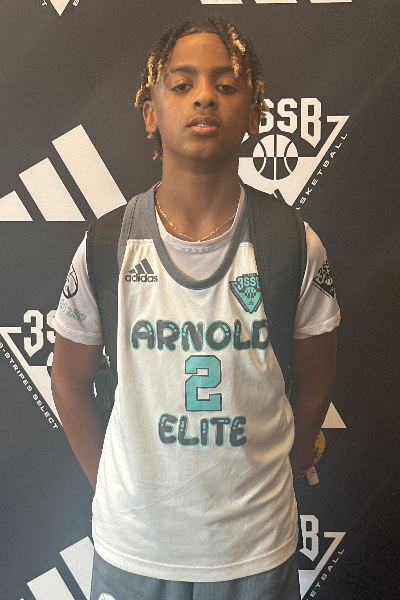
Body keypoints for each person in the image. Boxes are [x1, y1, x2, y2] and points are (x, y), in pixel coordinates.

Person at [51, 16, 340, 600]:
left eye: (225, 85)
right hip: (133, 551)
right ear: (150, 112)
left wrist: (276, 471)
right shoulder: (107, 244)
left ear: (255, 113)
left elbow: (316, 385)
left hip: (255, 551)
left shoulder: (292, 244)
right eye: (182, 85)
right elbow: (68, 382)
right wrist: (113, 488)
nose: (204, 96)